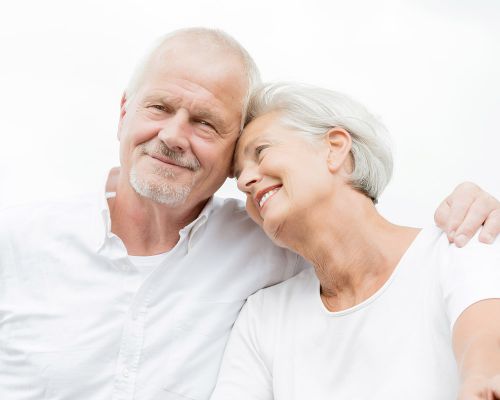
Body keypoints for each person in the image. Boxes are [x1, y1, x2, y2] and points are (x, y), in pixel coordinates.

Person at [0, 28, 498, 400]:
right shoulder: (17, 240)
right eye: (158, 108)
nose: (174, 136)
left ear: (335, 148)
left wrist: (475, 205)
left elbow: (480, 333)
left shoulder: (455, 247)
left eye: (206, 124)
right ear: (124, 112)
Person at [211, 83, 500, 399]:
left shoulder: (461, 243)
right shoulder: (263, 316)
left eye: (261, 151)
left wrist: (481, 379)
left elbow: (485, 342)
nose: (243, 182)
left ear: (334, 148)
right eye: (238, 174)